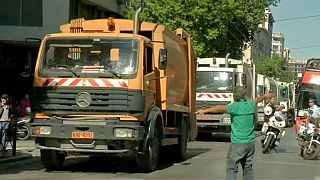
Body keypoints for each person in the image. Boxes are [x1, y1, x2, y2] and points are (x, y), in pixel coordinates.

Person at [196, 86, 274, 180]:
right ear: (245, 95)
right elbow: (258, 99)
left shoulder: (234, 107)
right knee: (247, 168)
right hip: (250, 144)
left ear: (235, 96)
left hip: (238, 143)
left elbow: (220, 108)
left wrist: (205, 110)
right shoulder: (251, 104)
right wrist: (266, 96)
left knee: (231, 169)